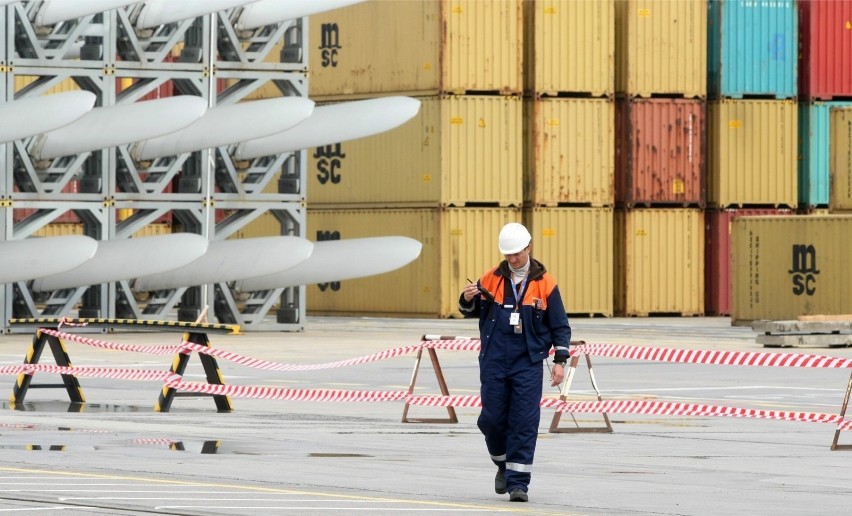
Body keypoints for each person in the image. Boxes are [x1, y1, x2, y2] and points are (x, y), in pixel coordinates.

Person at [458, 222, 571, 503]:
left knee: (524, 422)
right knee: (491, 420)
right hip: (494, 360)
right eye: (508, 255)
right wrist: (466, 298)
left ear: (529, 248)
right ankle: (502, 464)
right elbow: (468, 311)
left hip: (528, 363)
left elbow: (560, 326)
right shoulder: (492, 278)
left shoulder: (545, 284)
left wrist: (560, 360)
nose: (512, 259)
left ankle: (518, 483)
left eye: (517, 254)